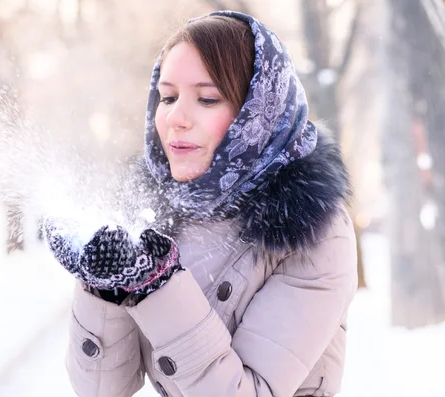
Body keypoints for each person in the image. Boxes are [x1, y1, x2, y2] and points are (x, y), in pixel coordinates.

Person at [45, 10, 357, 397]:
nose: (176, 117)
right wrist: (103, 286)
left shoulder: (314, 231)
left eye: (207, 98)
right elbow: (101, 390)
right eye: (168, 96)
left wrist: (155, 286)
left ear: (257, 111)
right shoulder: (155, 213)